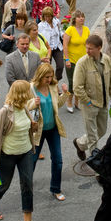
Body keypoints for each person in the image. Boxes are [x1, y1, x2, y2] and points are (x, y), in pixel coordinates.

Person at [0, 80, 43, 221]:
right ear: (22, 93)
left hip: (25, 152)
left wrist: (33, 125)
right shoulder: (4, 112)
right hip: (7, 155)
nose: (30, 94)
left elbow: (27, 128)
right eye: (27, 91)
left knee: (27, 185)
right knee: (3, 185)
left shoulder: (24, 107)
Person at [72, 35, 111, 160]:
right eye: (86, 48)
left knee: (101, 131)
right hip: (89, 105)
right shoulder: (82, 63)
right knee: (92, 137)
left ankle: (80, 144)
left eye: (91, 49)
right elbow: (77, 87)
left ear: (99, 48)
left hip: (103, 103)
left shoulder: (107, 60)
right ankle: (96, 166)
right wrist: (87, 102)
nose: (87, 51)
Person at [29, 64, 70, 201]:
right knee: (33, 159)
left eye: (51, 76)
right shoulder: (31, 88)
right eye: (47, 77)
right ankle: (27, 185)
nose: (49, 79)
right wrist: (32, 103)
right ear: (40, 76)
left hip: (53, 129)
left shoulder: (52, 87)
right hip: (38, 130)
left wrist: (65, 93)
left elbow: (57, 104)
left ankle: (56, 189)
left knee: (58, 160)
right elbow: (23, 107)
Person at [62, 10, 90, 112]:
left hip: (83, 61)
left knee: (80, 82)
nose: (81, 18)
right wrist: (67, 59)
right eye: (79, 17)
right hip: (72, 60)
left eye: (83, 17)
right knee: (72, 82)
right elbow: (65, 45)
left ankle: (77, 102)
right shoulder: (70, 30)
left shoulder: (86, 29)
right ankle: (69, 101)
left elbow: (88, 44)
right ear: (74, 19)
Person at [38, 6, 65, 81]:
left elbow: (60, 31)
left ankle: (55, 81)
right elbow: (39, 38)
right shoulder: (40, 26)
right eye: (45, 16)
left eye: (49, 16)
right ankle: (48, 82)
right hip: (47, 49)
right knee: (47, 68)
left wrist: (63, 35)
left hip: (57, 47)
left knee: (60, 66)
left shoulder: (56, 22)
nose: (47, 18)